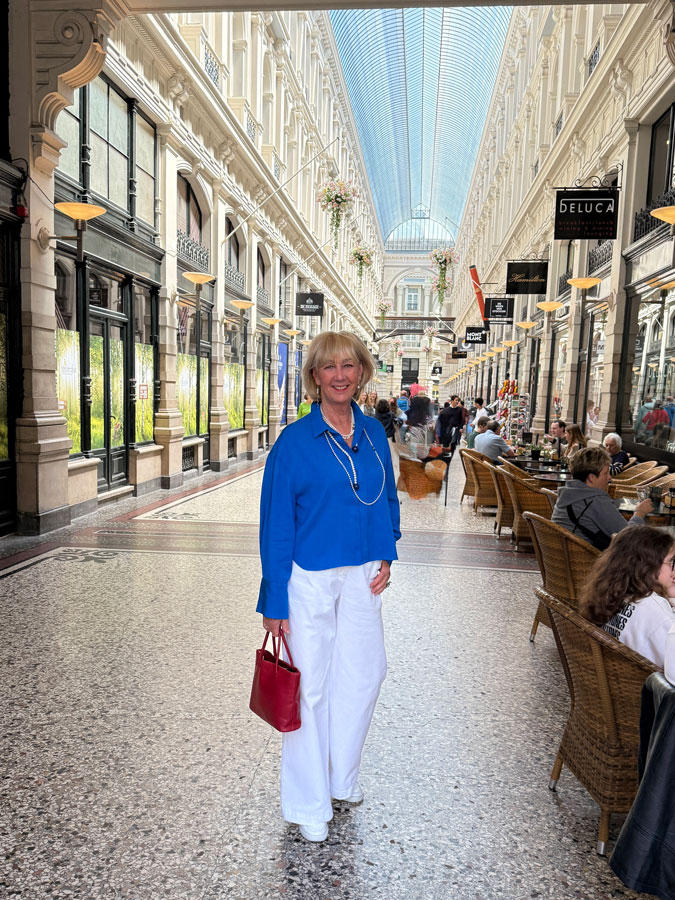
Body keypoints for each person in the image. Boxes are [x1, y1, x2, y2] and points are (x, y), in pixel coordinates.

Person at [257, 331, 400, 843]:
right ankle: (308, 801)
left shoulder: (374, 433)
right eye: (328, 367)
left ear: (361, 372)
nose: (340, 374)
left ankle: (341, 776)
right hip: (309, 575)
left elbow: (386, 498)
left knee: (365, 673)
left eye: (349, 365)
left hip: (363, 572)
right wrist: (274, 599)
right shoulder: (293, 443)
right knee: (309, 686)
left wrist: (388, 549)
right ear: (314, 376)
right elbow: (275, 524)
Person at [581, 526, 675, 672]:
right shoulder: (655, 611)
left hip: (617, 681)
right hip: (648, 690)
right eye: (671, 562)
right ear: (648, 566)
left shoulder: (614, 594)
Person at [551, 447, 651, 550]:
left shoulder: (568, 493)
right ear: (591, 477)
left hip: (563, 557)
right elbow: (629, 537)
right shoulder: (595, 500)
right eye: (606, 473)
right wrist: (639, 513)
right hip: (590, 561)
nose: (609, 478)